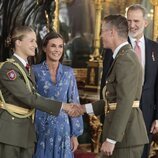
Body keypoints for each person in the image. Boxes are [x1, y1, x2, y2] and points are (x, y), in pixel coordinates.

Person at [0, 26, 80, 158]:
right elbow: (29, 98)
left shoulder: (27, 69)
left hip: (27, 132)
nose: (35, 45)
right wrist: (62, 106)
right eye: (31, 41)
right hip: (12, 133)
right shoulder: (9, 69)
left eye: (35, 41)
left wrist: (74, 133)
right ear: (18, 42)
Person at [82, 14, 149, 158]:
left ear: (112, 32)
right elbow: (112, 101)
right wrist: (84, 108)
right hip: (122, 136)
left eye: (102, 31)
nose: (100, 35)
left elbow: (125, 101)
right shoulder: (121, 57)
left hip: (125, 138)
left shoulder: (126, 59)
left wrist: (112, 139)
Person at [100, 4, 158, 158]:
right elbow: (105, 83)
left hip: (147, 114)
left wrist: (157, 116)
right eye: (129, 21)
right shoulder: (113, 48)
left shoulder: (155, 49)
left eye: (136, 21)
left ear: (146, 22)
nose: (132, 25)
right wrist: (103, 113)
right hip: (119, 113)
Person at [32, 32, 83, 158]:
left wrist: (74, 135)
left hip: (63, 128)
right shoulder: (34, 70)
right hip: (40, 127)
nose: (57, 50)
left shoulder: (68, 72)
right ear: (44, 48)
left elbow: (74, 103)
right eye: (53, 46)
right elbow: (31, 99)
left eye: (60, 46)